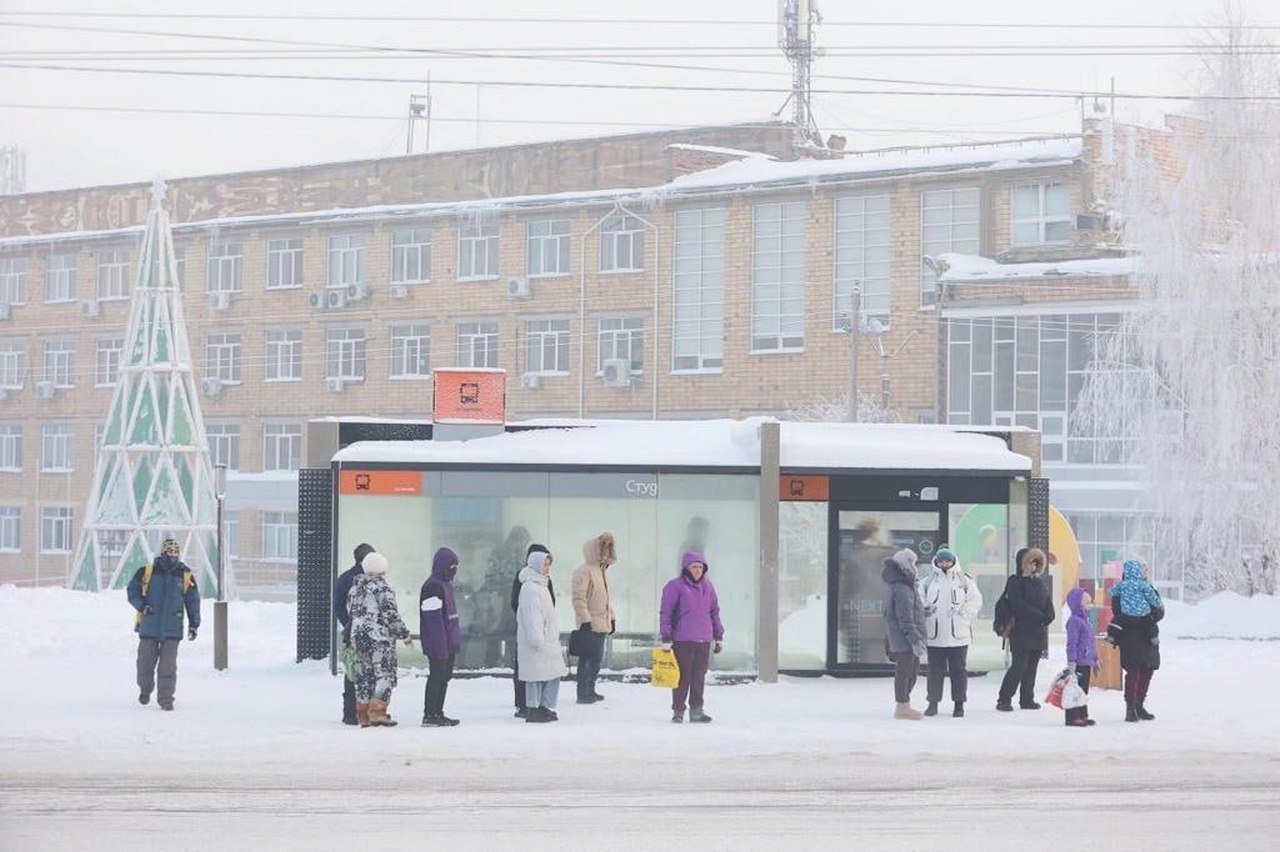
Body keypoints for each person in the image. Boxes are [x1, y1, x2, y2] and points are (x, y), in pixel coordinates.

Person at [127, 538, 201, 712]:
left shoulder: (185, 575)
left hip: (172, 628)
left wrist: (194, 624)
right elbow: (132, 591)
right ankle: (145, 690)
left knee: (168, 667)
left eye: (176, 552)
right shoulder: (146, 572)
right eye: (170, 551)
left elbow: (193, 601)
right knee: (144, 665)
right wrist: (141, 605)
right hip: (149, 625)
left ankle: (166, 700)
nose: (173, 555)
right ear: (163, 552)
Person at [347, 551, 412, 727]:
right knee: (384, 673)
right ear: (382, 569)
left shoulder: (355, 589)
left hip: (358, 638)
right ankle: (377, 712)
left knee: (363, 675)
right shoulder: (382, 588)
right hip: (378, 638)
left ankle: (363, 714)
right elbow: (390, 615)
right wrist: (404, 634)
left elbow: (350, 613)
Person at [659, 551, 725, 724]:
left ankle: (697, 710)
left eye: (701, 567)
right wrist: (666, 636)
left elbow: (714, 612)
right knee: (681, 677)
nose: (697, 570)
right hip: (683, 639)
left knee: (699, 677)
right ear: (686, 568)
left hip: (703, 639)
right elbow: (666, 613)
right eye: (694, 567)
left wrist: (718, 636)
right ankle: (678, 710)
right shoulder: (675, 586)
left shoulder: (708, 587)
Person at [919, 547, 983, 718]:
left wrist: (964, 614)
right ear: (937, 562)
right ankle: (933, 703)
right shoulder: (928, 580)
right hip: (935, 635)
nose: (944, 564)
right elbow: (919, 599)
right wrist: (926, 610)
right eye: (941, 561)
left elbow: (976, 600)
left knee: (958, 671)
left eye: (947, 561)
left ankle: (959, 704)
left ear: (953, 561)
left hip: (958, 636)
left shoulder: (964, 580)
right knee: (934, 671)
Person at [996, 547, 1055, 712]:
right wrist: (1039, 616)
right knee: (1019, 666)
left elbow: (1048, 604)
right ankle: (1004, 699)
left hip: (1038, 632)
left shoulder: (1039, 582)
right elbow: (1018, 605)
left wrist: (1049, 616)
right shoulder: (1014, 581)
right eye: (1030, 562)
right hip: (1021, 632)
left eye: (1036, 563)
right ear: (1022, 564)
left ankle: (1027, 698)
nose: (1033, 566)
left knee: (1032, 667)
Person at [1109, 559, 1164, 722]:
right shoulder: (1128, 590)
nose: (1145, 572)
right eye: (1143, 569)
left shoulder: (1147, 588)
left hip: (1147, 637)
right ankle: (1130, 707)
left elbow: (1160, 612)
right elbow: (1117, 610)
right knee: (1133, 672)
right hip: (1131, 637)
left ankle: (1139, 704)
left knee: (1147, 671)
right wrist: (1141, 618)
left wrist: (1144, 618)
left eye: (1146, 569)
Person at [517, 548, 567, 723]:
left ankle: (544, 706)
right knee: (535, 675)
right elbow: (532, 615)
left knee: (550, 673)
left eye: (549, 564)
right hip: (537, 639)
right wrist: (536, 638)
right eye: (545, 564)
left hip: (548, 639)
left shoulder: (541, 584)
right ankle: (534, 708)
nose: (547, 568)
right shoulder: (530, 587)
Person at [571, 531, 616, 705]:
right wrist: (585, 620)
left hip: (602, 622)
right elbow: (578, 598)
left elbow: (606, 599)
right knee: (587, 659)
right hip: (590, 623)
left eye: (609, 548)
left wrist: (611, 618)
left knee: (596, 659)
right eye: (603, 548)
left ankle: (590, 689)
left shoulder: (602, 571)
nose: (606, 552)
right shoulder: (584, 571)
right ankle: (583, 692)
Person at [510, 542, 555, 718]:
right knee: (526, 667)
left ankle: (539, 704)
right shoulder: (524, 579)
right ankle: (524, 704)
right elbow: (516, 602)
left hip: (543, 628)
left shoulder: (545, 579)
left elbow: (550, 601)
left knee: (541, 667)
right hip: (529, 628)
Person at [882, 548, 927, 720]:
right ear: (905, 565)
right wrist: (914, 639)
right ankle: (902, 706)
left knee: (911, 670)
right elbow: (904, 617)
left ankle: (904, 704)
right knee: (906, 671)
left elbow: (909, 610)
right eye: (913, 563)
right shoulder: (901, 586)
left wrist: (924, 611)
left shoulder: (902, 584)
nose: (915, 567)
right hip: (905, 637)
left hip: (904, 635)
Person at [420, 546, 462, 727]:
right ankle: (430, 714)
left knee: (444, 678)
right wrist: (441, 646)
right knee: (437, 677)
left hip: (447, 642)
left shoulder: (445, 585)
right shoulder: (433, 587)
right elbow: (434, 622)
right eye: (452, 567)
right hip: (438, 644)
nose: (454, 571)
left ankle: (438, 712)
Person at [334, 542, 375, 726]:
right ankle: (367, 712)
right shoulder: (371, 579)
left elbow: (338, 606)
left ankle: (349, 713)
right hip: (371, 633)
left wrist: (348, 625)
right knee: (371, 670)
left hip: (351, 632)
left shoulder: (344, 578)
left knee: (351, 672)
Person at [1064, 586, 1099, 727]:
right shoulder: (1074, 621)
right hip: (1078, 662)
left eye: (1090, 603)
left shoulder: (1087, 621)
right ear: (1079, 605)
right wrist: (1071, 662)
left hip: (1086, 662)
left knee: (1083, 690)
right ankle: (1072, 717)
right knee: (1074, 690)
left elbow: (1091, 642)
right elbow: (1072, 643)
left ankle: (1083, 714)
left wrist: (1095, 659)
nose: (1090, 606)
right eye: (1087, 603)